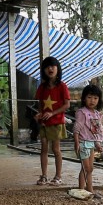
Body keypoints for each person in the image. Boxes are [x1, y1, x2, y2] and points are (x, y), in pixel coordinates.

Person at [34, 56, 69, 185]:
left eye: (53, 66)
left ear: (57, 69)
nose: (50, 69)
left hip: (57, 122)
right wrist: (39, 114)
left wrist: (52, 113)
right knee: (43, 148)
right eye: (47, 66)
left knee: (56, 149)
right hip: (44, 122)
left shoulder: (62, 86)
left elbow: (67, 105)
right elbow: (40, 104)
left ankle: (58, 176)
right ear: (43, 70)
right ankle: (43, 176)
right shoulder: (42, 87)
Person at [73, 83, 103, 196]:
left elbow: (95, 131)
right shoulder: (82, 112)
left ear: (99, 100)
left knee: (89, 169)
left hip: (91, 144)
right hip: (83, 143)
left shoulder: (96, 114)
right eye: (89, 97)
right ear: (84, 98)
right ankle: (86, 191)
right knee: (87, 168)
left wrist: (98, 144)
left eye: (95, 98)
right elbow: (76, 129)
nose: (92, 100)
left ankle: (87, 190)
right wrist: (76, 143)